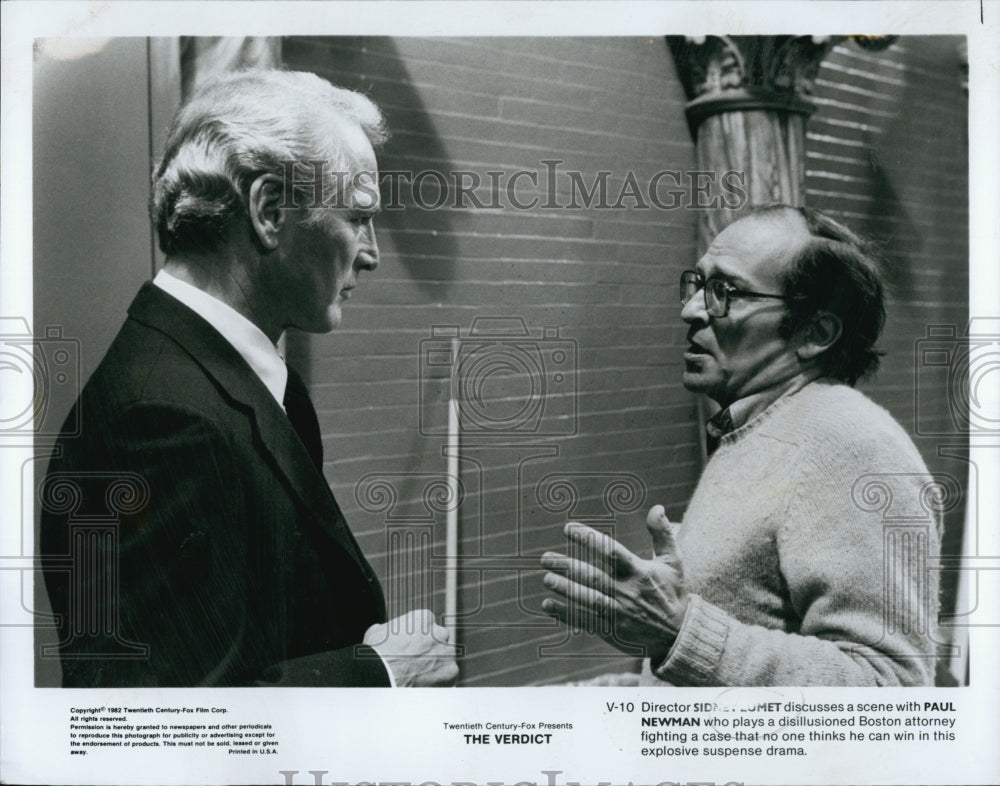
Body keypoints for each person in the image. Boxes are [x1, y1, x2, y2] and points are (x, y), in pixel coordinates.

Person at [39, 69, 457, 688]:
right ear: (268, 210)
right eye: (358, 217)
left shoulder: (226, 380)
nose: (370, 253)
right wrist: (381, 674)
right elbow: (160, 736)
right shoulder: (159, 423)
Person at [541, 205, 941, 686]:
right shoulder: (758, 426)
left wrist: (678, 634)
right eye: (699, 284)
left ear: (815, 333)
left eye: (724, 292)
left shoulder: (852, 448)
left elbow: (892, 689)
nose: (690, 310)